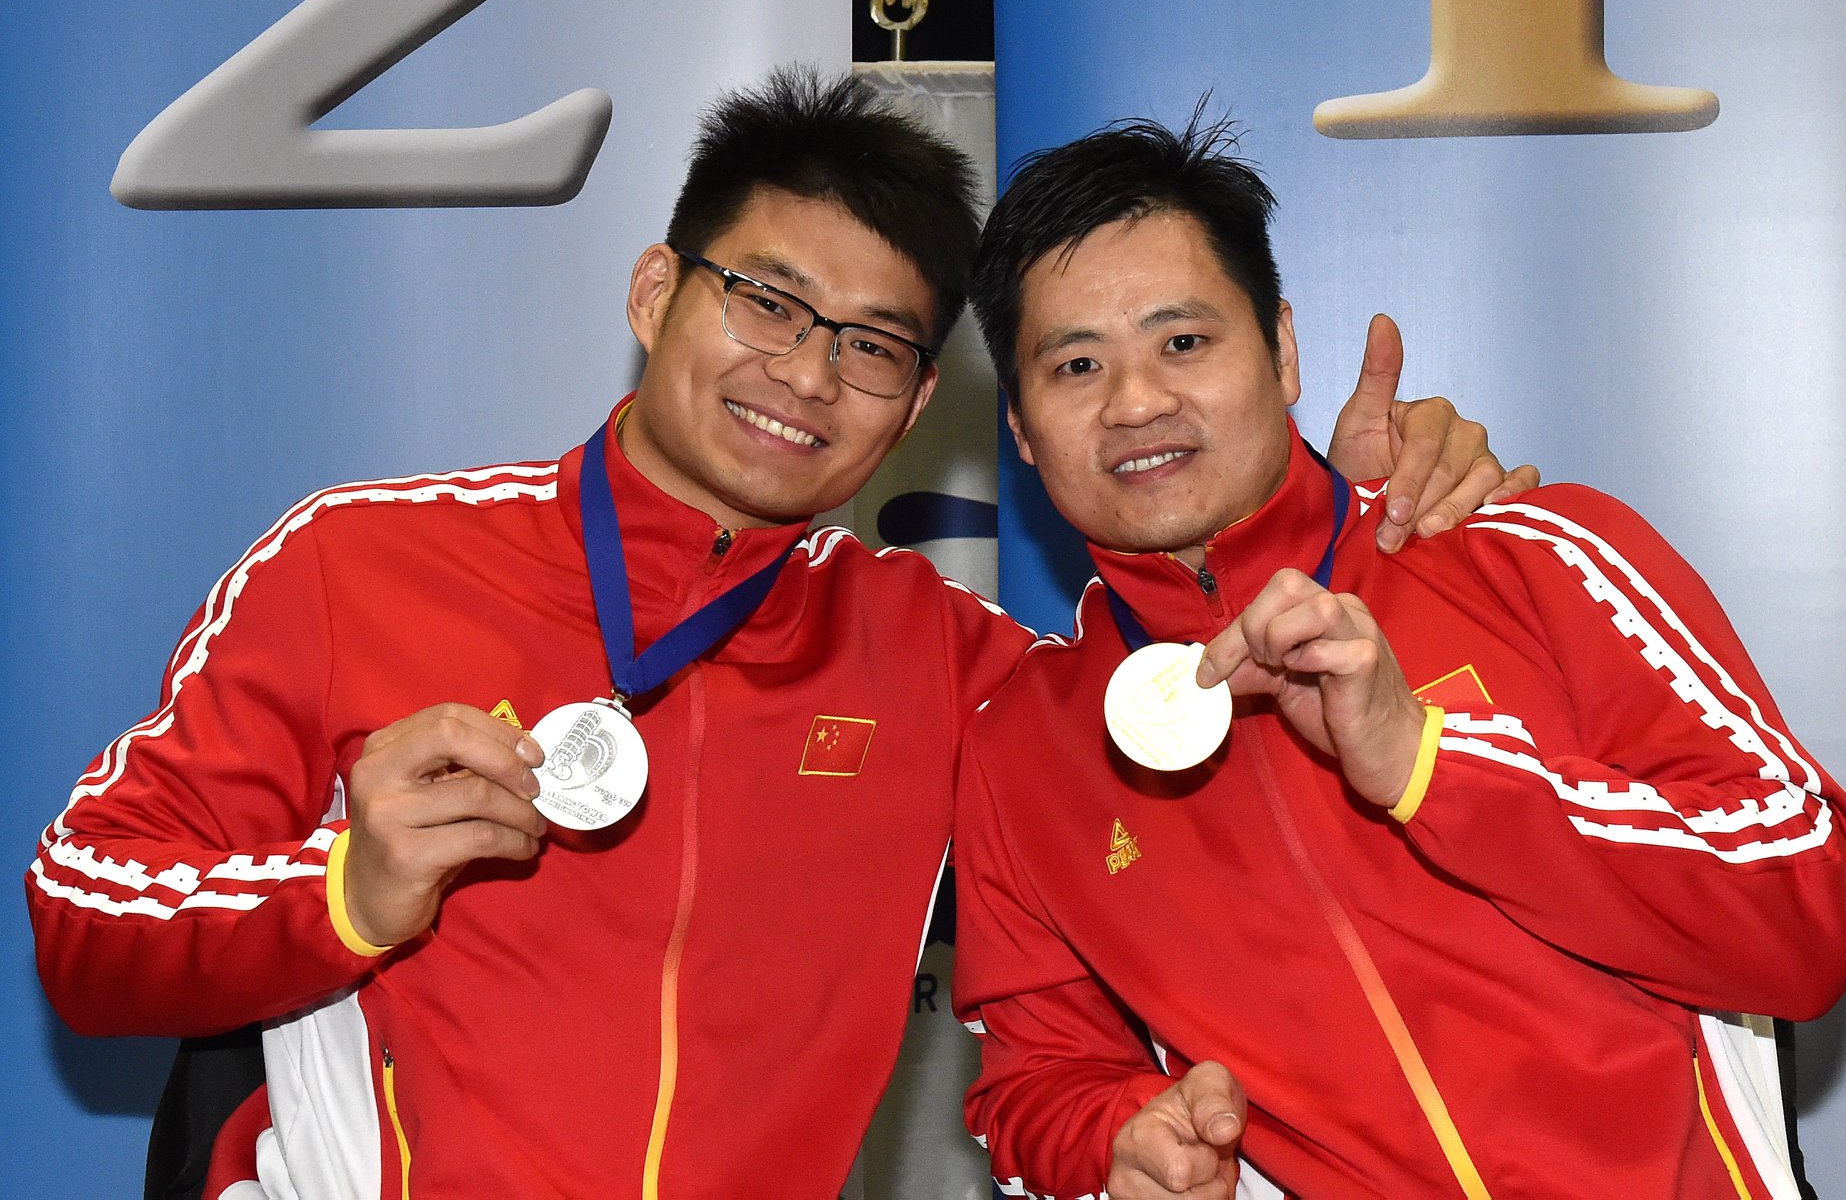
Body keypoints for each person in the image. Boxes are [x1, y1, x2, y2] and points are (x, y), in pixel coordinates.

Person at [27, 70, 1525, 1199]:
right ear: (654, 291)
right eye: (767, 303)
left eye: (873, 346)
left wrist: (1359, 518)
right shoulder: (363, 562)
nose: (807, 376)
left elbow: (1208, 696)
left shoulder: (949, 663)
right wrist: (343, 891)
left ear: (918, 405)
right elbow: (85, 927)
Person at [953, 116, 1846, 1199]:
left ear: (1281, 350)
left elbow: (1809, 907)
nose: (1136, 401)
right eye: (1077, 363)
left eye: (1182, 342)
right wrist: (1118, 1139)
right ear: (1020, 426)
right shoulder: (1021, 742)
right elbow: (1034, 1084)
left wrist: (1431, 761)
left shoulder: (1527, 552)